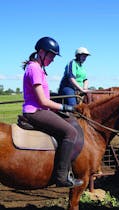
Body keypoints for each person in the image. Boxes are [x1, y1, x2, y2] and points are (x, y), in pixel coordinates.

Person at [22, 37, 83, 188]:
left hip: (41, 109)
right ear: (41, 52)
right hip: (35, 111)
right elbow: (42, 101)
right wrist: (65, 107)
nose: (53, 59)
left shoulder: (38, 69)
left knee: (69, 122)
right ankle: (62, 177)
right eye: (51, 56)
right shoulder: (35, 69)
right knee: (71, 132)